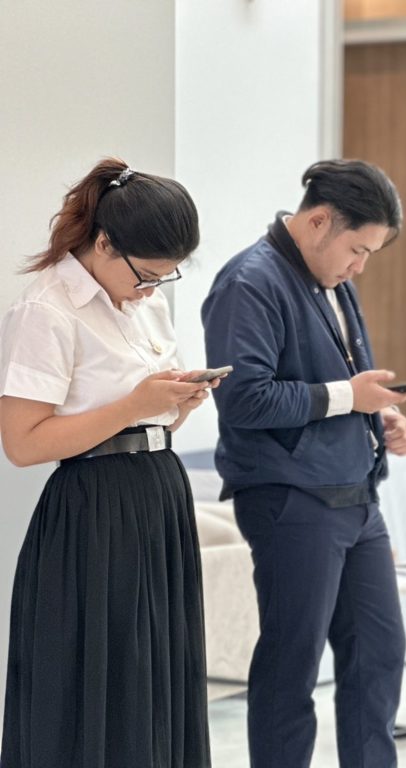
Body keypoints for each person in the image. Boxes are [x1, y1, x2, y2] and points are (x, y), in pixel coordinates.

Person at [0, 159, 212, 767]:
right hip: (94, 510)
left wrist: (175, 406)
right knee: (101, 682)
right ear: (103, 243)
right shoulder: (47, 310)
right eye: (146, 274)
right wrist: (133, 406)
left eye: (165, 277)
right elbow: (22, 443)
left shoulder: (146, 306)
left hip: (158, 496)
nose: (152, 289)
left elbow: (143, 426)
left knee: (157, 676)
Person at [201, 160, 406, 768]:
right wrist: (350, 398)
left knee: (379, 655)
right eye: (357, 249)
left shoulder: (333, 278)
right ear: (319, 221)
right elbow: (244, 399)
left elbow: (340, 381)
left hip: (356, 496)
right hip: (291, 499)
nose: (360, 265)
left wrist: (378, 416)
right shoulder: (248, 283)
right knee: (291, 668)